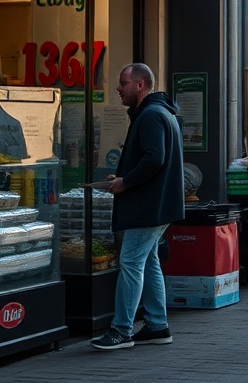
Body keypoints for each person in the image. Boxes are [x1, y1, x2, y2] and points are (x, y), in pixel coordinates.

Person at [91, 63, 185, 351]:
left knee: (131, 262)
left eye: (123, 83)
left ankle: (121, 330)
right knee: (149, 260)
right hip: (157, 205)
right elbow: (153, 159)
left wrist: (126, 182)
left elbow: (154, 159)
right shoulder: (159, 112)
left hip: (149, 207)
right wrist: (123, 178)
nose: (118, 88)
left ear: (140, 85)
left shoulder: (151, 115)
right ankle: (157, 325)